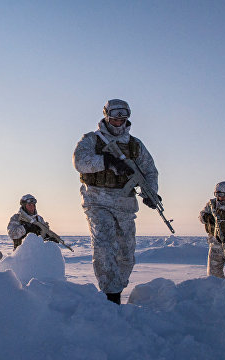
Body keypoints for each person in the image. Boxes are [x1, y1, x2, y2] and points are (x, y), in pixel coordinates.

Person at [73, 99, 160, 304]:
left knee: (126, 252)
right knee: (104, 245)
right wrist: (106, 162)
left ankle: (117, 289)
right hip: (97, 200)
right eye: (115, 116)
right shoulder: (92, 140)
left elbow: (149, 171)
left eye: (123, 117)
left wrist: (151, 193)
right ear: (106, 116)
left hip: (124, 203)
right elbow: (79, 161)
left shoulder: (135, 145)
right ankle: (110, 296)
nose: (119, 121)